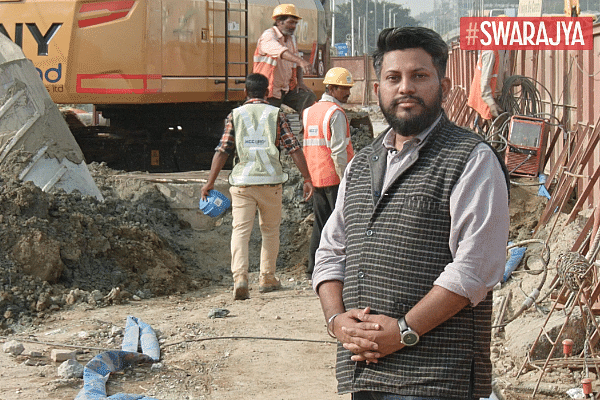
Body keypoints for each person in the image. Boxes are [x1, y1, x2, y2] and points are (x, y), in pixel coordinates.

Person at [312, 26, 510, 400]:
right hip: (365, 372)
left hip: (434, 381)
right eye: (393, 77)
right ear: (377, 91)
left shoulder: (471, 159)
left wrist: (403, 330)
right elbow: (330, 253)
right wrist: (336, 321)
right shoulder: (361, 164)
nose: (406, 87)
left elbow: (476, 268)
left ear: (444, 85)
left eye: (419, 76)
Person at [201, 73, 314, 301]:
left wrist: (210, 182)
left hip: (242, 183)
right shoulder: (276, 114)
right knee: (270, 231)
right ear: (267, 92)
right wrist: (307, 178)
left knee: (240, 231)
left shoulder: (235, 115)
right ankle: (266, 277)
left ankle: (240, 278)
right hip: (270, 183)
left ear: (246, 92)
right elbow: (293, 147)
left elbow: (223, 150)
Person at [302, 67, 355, 280]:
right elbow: (339, 151)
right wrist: (346, 180)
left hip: (316, 177)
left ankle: (313, 269)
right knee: (343, 226)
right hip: (334, 177)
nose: (348, 93)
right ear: (331, 88)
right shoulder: (336, 113)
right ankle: (345, 269)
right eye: (344, 89)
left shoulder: (309, 112)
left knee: (321, 223)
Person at [253, 3, 317, 115]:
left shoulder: (291, 39)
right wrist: (301, 61)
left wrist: (300, 82)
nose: (294, 26)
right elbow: (280, 51)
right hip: (268, 90)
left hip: (285, 89)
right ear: (279, 22)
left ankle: (304, 130)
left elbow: (296, 62)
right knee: (271, 120)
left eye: (295, 23)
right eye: (291, 22)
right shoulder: (268, 36)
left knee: (308, 97)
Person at [467, 48, 510, 120]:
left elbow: (503, 70)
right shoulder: (490, 52)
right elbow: (484, 84)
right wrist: (491, 104)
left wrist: (511, 80)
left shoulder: (505, 49)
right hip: (486, 96)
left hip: (495, 95)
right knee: (499, 125)